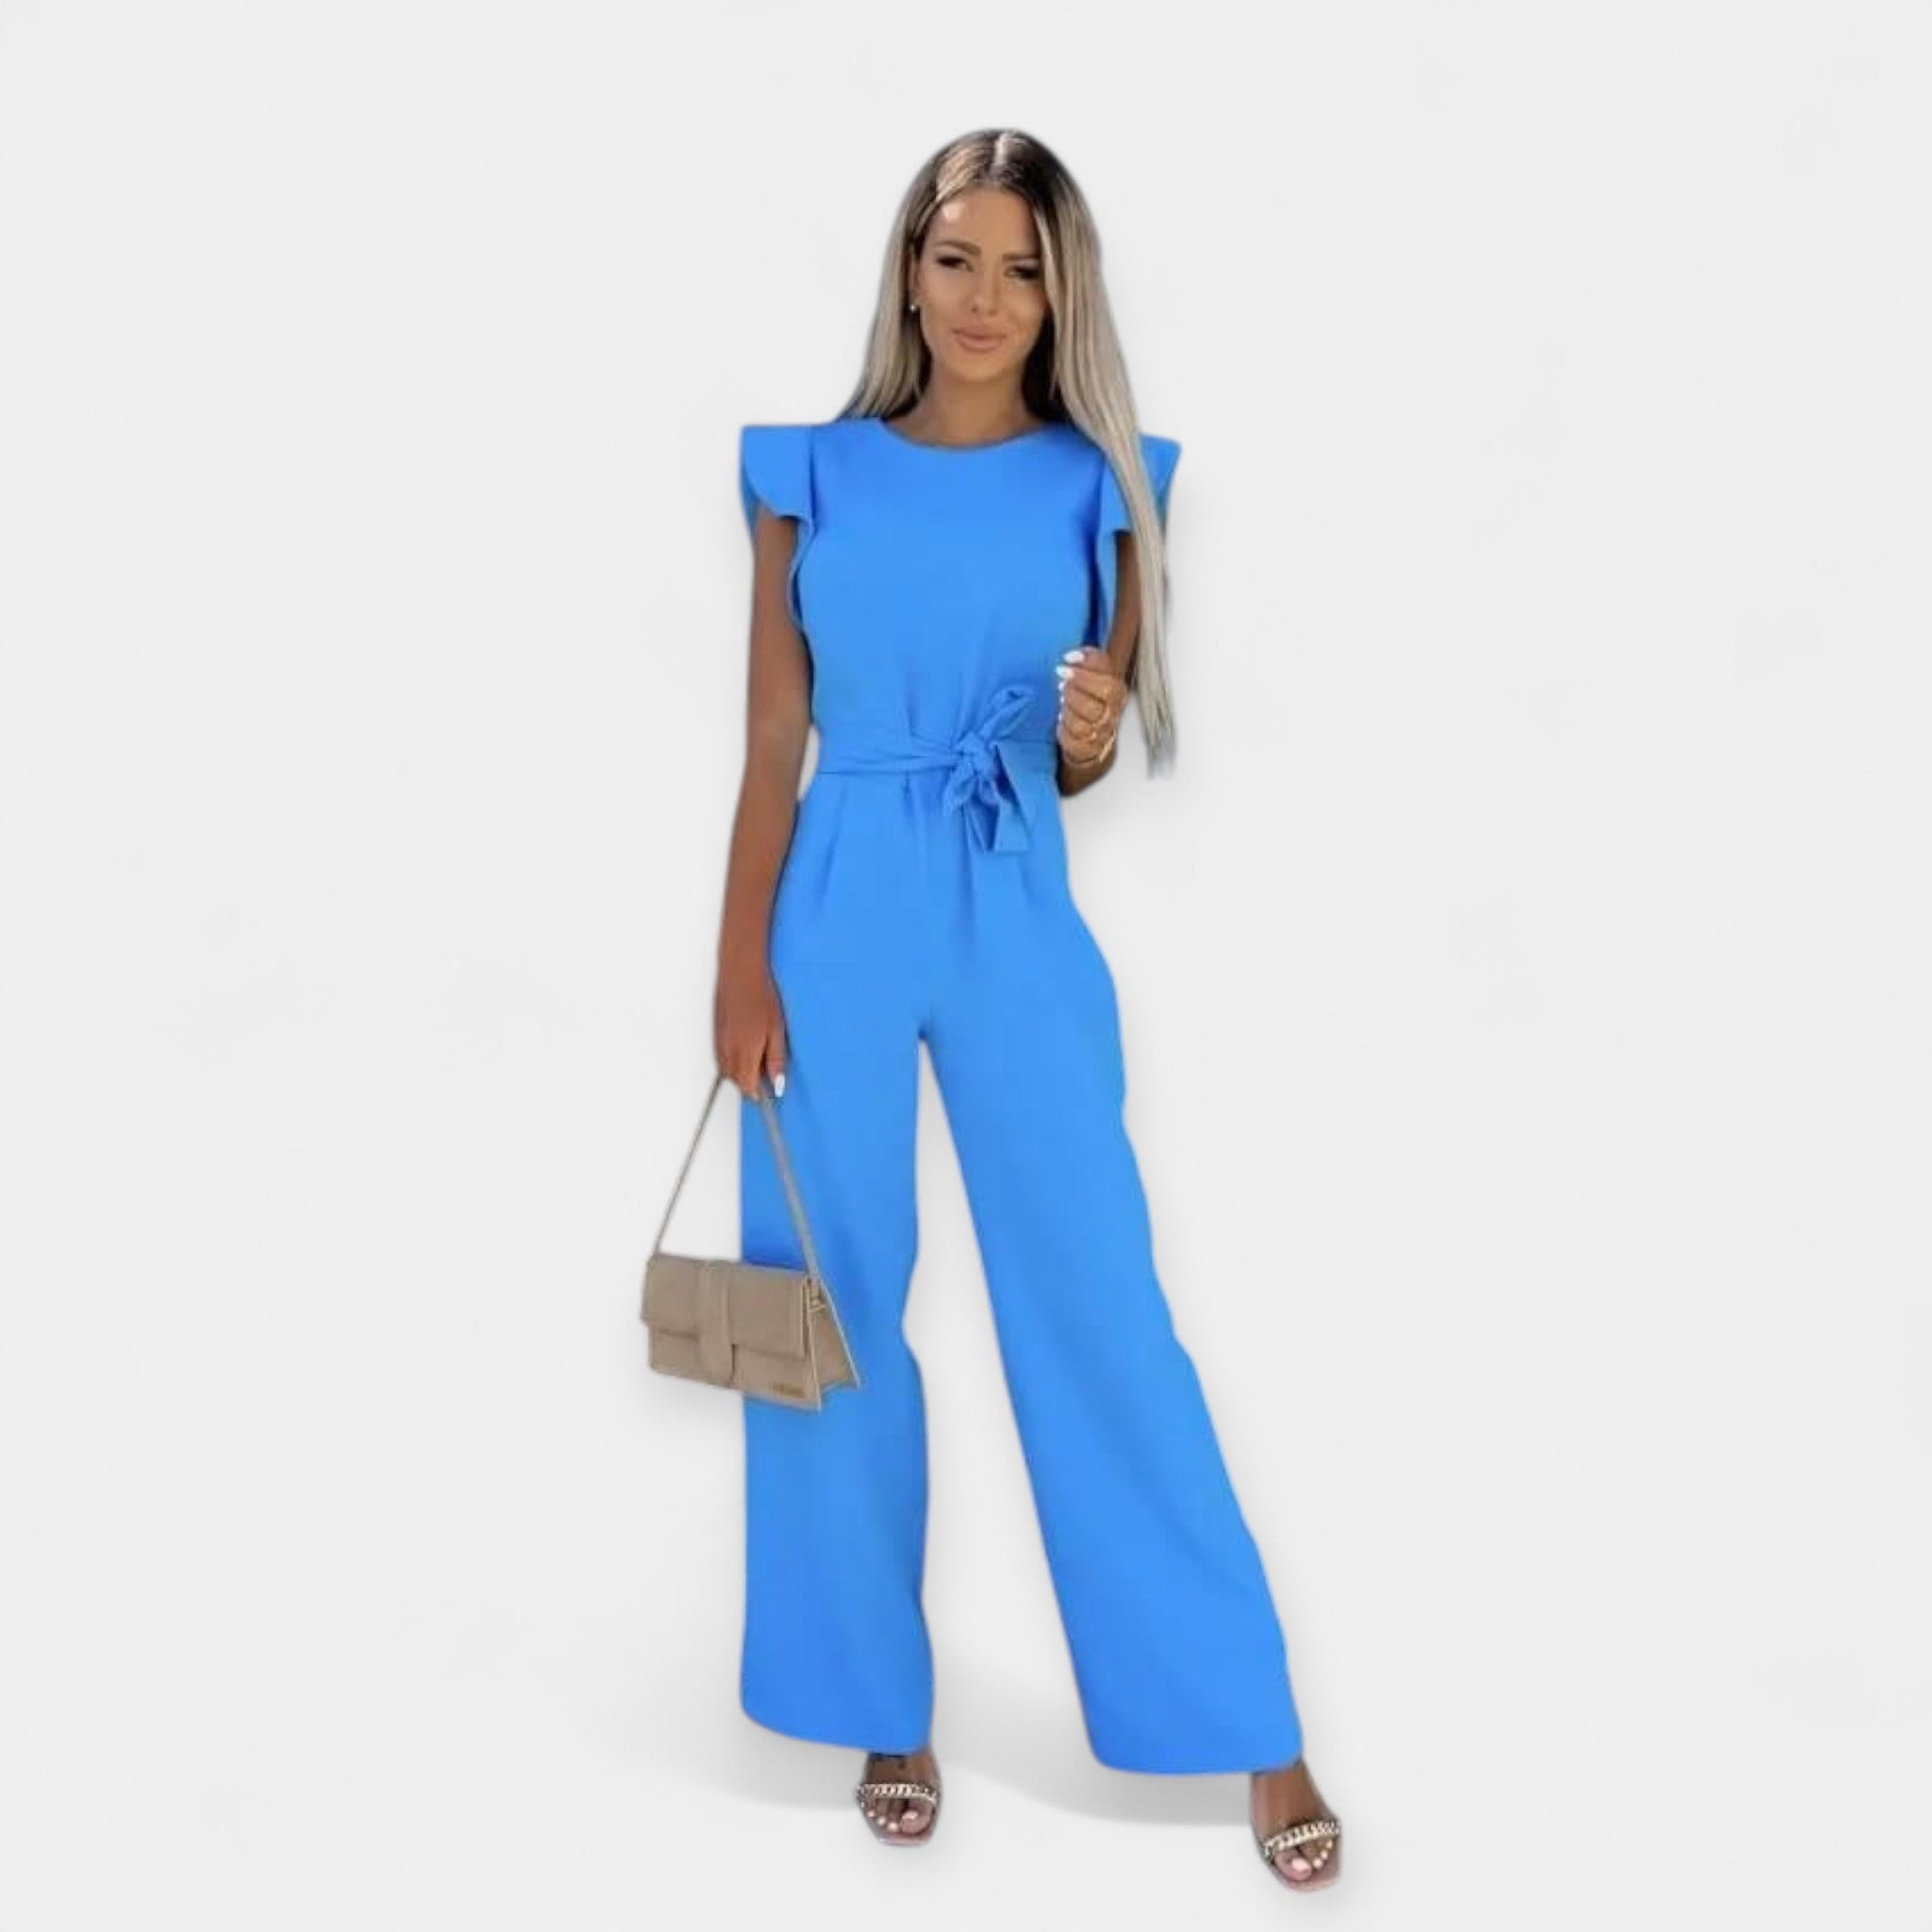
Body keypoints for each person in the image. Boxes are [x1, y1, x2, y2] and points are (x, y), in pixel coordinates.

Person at [710, 126, 1342, 1892]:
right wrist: (737, 963)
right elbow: (772, 737)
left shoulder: (1108, 485)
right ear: (908, 273)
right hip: (835, 900)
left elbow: (1082, 752)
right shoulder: (804, 476)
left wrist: (1085, 733)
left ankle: (1251, 1722)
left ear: (1064, 297)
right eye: (957, 259)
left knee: (1098, 1302)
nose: (986, 299)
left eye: (1023, 270)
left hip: (1007, 894)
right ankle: (879, 1702)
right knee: (828, 1309)